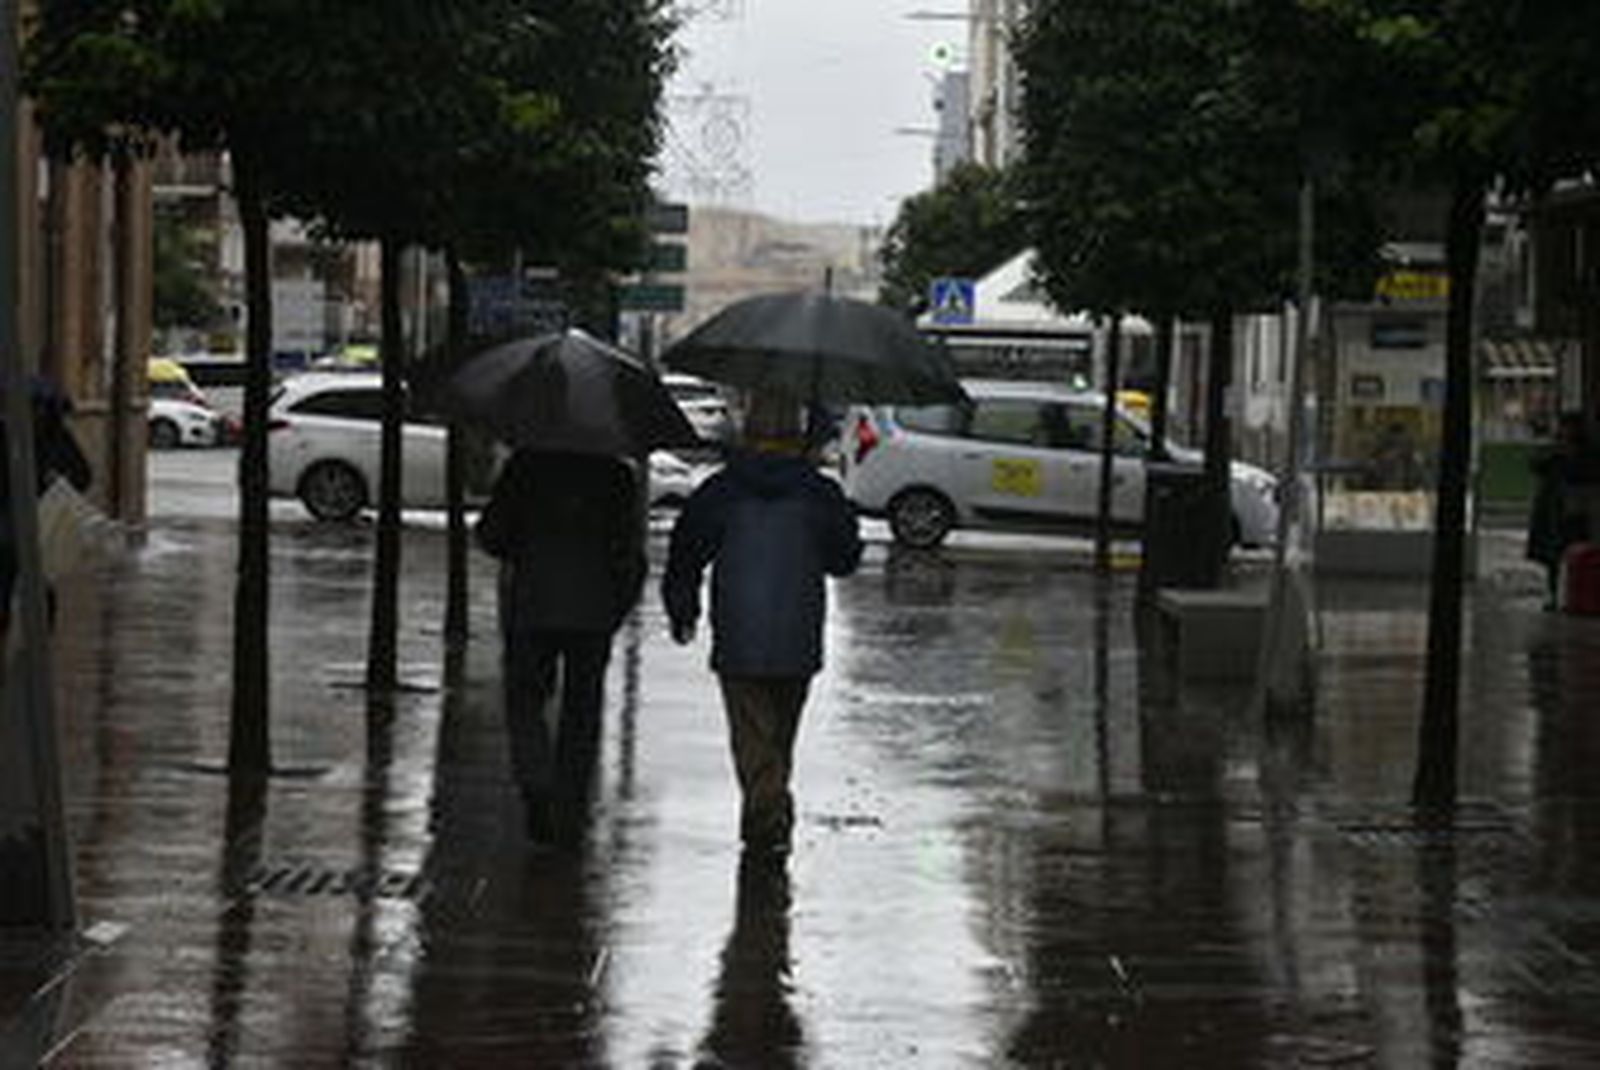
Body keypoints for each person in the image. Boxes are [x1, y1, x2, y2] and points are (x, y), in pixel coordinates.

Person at [662, 390, 863, 858]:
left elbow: (686, 554)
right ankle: (769, 814)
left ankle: (765, 814)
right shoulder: (818, 492)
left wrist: (682, 608)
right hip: (798, 632)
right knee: (780, 735)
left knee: (752, 735)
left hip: (738, 629)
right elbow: (843, 560)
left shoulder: (722, 490)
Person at [476, 448, 645, 844]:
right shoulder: (616, 473)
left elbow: (492, 534)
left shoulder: (526, 465)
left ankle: (536, 784)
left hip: (533, 603)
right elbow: (628, 550)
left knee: (525, 698)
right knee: (583, 707)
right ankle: (570, 798)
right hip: (593, 608)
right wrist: (617, 604)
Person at [0, 381, 92, 640]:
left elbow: (83, 476)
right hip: (18, 527)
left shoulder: (56, 438)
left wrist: (58, 483)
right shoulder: (17, 433)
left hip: (38, 525)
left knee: (36, 588)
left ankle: (36, 643)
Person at [1527, 412, 1600, 609]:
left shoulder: (1585, 452)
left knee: (1569, 549)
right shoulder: (1556, 449)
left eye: (1567, 427)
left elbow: (1586, 475)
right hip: (1553, 508)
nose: (1564, 431)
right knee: (1553, 554)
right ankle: (1555, 593)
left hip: (1574, 509)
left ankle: (1568, 594)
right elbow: (1535, 465)